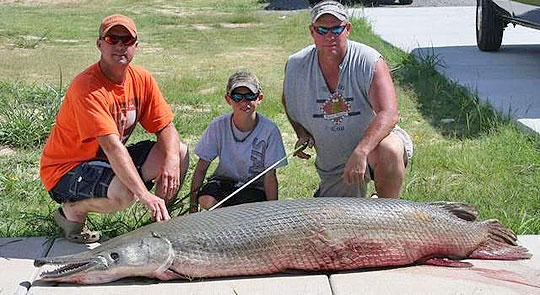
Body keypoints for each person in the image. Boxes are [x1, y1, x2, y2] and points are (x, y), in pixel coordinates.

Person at [40, 14, 189, 243]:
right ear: (99, 44)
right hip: (65, 170)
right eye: (112, 39)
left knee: (178, 151)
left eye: (127, 40)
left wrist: (171, 160)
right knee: (125, 192)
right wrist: (144, 194)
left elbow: (165, 126)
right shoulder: (87, 87)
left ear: (136, 46)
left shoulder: (141, 78)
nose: (120, 46)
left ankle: (160, 226)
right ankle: (72, 211)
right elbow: (112, 147)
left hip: (104, 161)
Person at [282, 1, 413, 199]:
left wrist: (361, 151)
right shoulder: (296, 64)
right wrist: (301, 133)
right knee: (331, 222)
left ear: (348, 29)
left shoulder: (369, 60)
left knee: (391, 149)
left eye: (336, 28)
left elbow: (390, 113)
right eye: (322, 30)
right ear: (312, 31)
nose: (329, 36)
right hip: (334, 164)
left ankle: (387, 210)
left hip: (372, 149)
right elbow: (287, 100)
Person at [189, 71, 287, 212]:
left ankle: (229, 220)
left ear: (259, 98)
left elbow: (270, 176)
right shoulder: (218, 126)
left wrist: (272, 211)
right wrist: (193, 205)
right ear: (228, 99)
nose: (243, 102)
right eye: (237, 97)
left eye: (249, 96)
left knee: (244, 209)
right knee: (206, 199)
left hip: (253, 188)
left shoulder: (270, 131)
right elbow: (201, 168)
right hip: (223, 182)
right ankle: (226, 220)